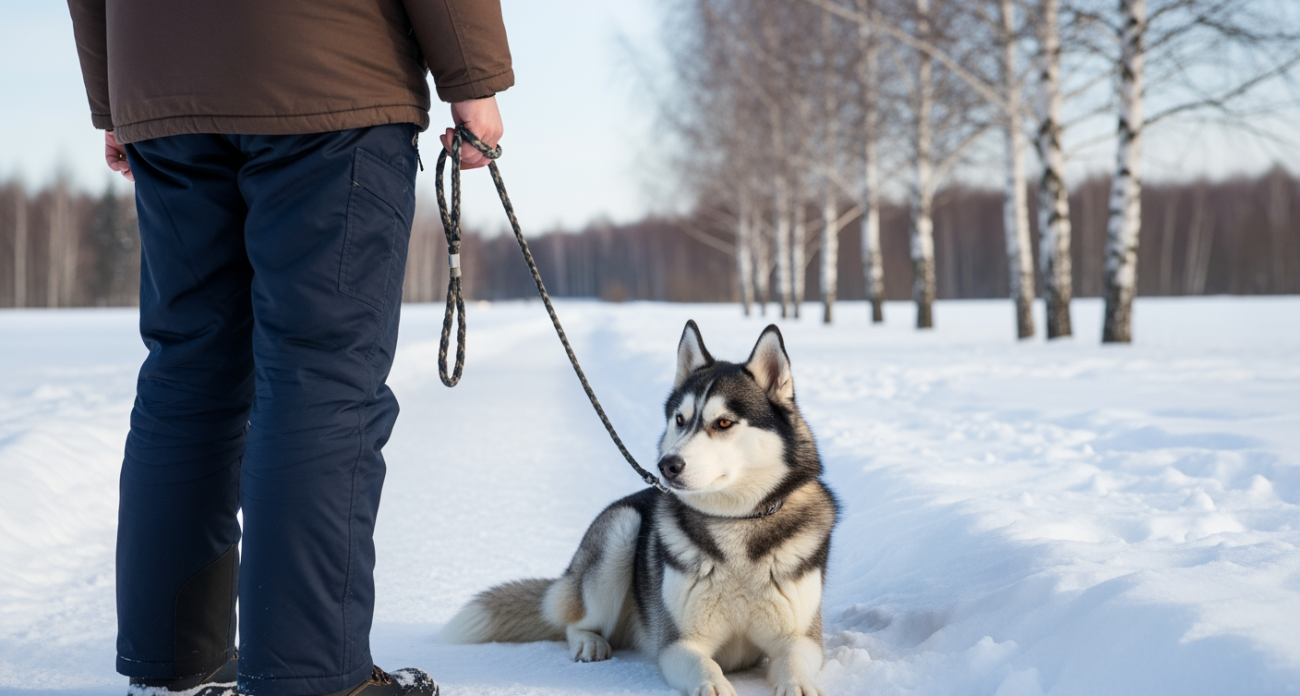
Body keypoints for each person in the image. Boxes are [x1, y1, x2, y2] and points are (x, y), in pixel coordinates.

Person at [65, 2, 513, 696]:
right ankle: (309, 677)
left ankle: (172, 666)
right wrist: (472, 79)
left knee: (189, 370)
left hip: (161, 85)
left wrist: (115, 98)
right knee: (320, 372)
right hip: (330, 75)